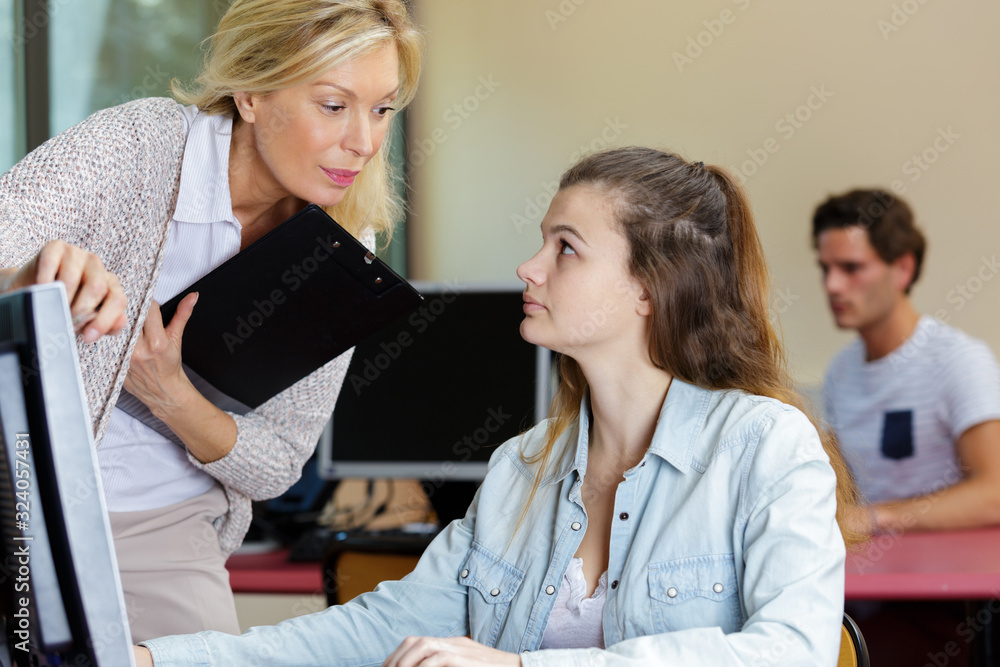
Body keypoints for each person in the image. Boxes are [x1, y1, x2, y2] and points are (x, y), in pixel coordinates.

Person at [134, 147, 862, 666]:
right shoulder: (524, 466)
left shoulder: (765, 443)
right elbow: (373, 628)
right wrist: (155, 659)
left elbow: (789, 651)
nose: (530, 265)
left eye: (566, 247)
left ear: (650, 287)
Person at [0, 0, 423, 642]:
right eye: (334, 106)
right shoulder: (134, 146)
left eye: (383, 109)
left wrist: (171, 396)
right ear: (250, 93)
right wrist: (25, 285)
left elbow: (276, 462)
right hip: (20, 502)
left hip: (166, 528)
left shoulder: (339, 239)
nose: (364, 142)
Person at [813, 189, 1000, 667]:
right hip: (861, 589)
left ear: (903, 269)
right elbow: (839, 487)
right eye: (825, 268)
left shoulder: (959, 362)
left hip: (942, 607)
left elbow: (994, 491)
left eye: (851, 268)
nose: (833, 285)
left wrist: (874, 520)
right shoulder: (841, 371)